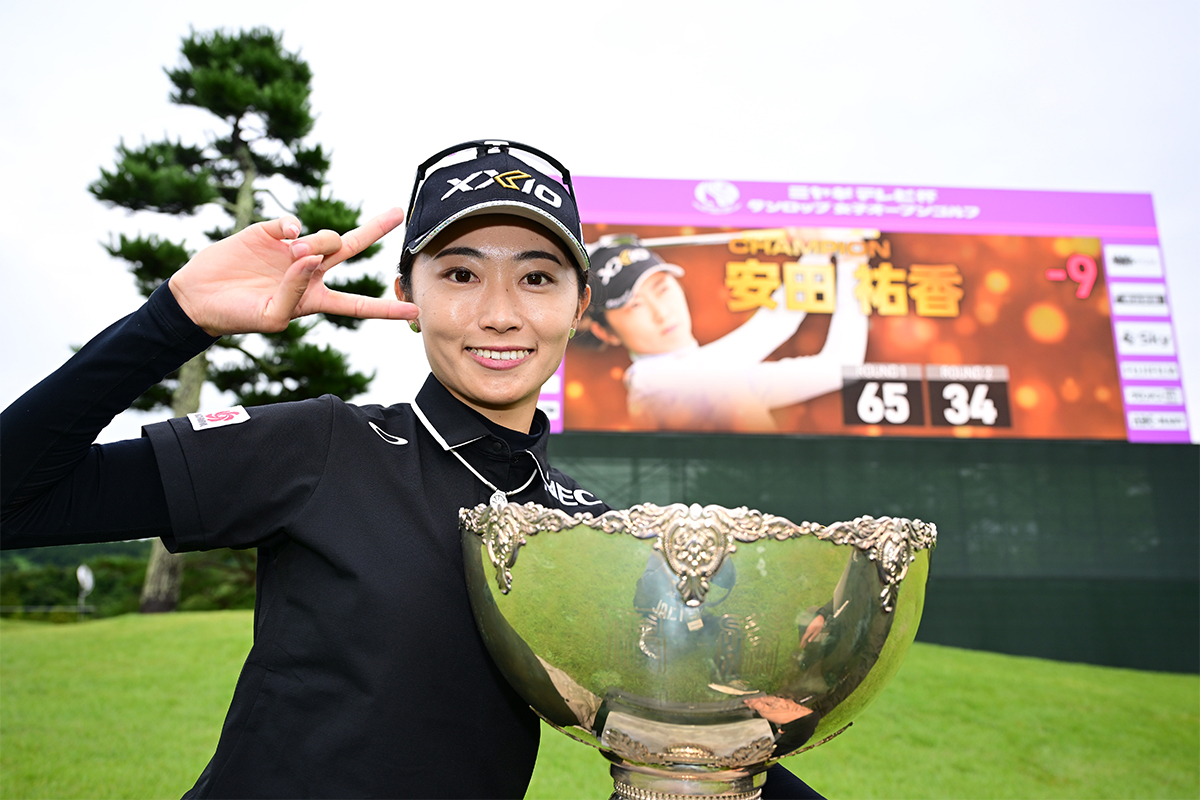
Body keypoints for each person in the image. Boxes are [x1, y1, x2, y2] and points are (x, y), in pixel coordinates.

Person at [1, 140, 821, 798]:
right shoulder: (322, 446)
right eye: (460, 273)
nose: (499, 312)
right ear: (406, 294)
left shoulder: (591, 536)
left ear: (579, 307)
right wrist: (172, 319)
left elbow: (685, 730)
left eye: (537, 278)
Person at [580, 235, 869, 432]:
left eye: (663, 289)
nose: (662, 313)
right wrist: (820, 247)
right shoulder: (653, 385)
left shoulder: (724, 380)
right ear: (605, 332)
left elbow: (842, 365)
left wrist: (851, 260)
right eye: (635, 306)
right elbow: (772, 328)